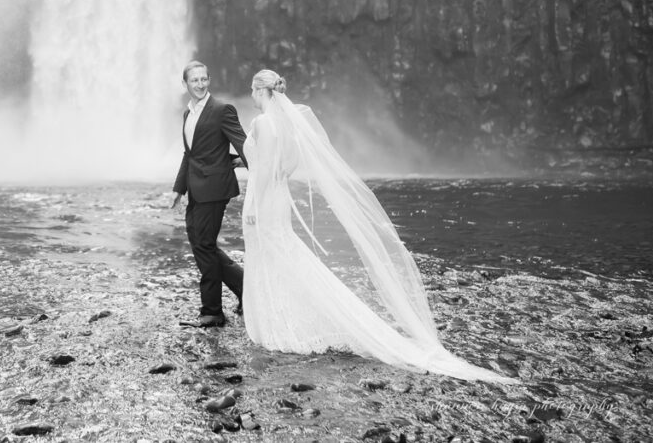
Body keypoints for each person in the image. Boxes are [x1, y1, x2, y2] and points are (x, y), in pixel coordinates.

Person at [240, 69, 516, 382]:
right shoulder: (289, 124)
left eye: (251, 90)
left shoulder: (262, 123)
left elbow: (261, 173)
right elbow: (286, 166)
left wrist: (253, 206)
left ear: (259, 90)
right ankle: (291, 317)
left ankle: (276, 324)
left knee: (271, 257)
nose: (249, 95)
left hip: (264, 200)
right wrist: (272, 179)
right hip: (279, 197)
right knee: (285, 255)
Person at [170, 60, 247, 328]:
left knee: (203, 246)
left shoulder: (221, 109)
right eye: (195, 80)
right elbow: (190, 154)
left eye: (204, 79)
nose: (200, 84)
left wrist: (247, 161)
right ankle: (245, 288)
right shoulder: (187, 114)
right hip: (195, 189)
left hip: (214, 189)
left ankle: (212, 311)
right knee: (203, 244)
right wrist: (179, 189)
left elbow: (243, 142)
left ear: (209, 80)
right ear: (185, 84)